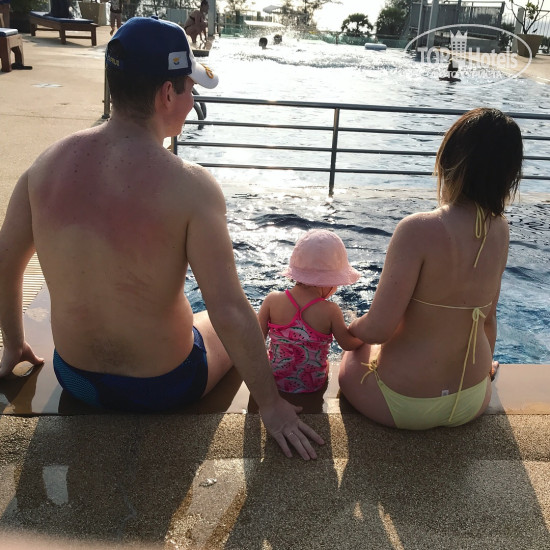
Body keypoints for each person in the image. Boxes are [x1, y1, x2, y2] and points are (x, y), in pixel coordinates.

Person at [0, 16, 323, 460]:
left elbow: (6, 262)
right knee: (243, 313)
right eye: (190, 89)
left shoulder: (43, 168)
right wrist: (271, 406)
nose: (192, 102)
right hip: (166, 386)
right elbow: (229, 310)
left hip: (76, 378)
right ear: (166, 94)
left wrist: (13, 342)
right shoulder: (190, 187)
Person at [338, 108, 523, 430]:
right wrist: (484, 372)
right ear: (510, 174)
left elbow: (378, 329)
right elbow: (488, 319)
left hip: (402, 403)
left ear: (449, 162)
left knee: (356, 351)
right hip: (473, 398)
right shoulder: (500, 229)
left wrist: (348, 326)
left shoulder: (418, 229)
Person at [258, 229, 363, 393]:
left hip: (275, 380)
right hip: (313, 384)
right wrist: (363, 335)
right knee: (334, 361)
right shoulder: (331, 310)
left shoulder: (272, 300)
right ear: (329, 283)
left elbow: (255, 341)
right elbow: (348, 344)